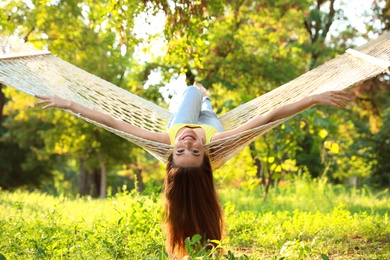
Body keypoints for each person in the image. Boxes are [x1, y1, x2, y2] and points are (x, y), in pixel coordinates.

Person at [35, 82, 354, 258]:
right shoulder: (219, 143)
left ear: (171, 154)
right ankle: (208, 101)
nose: (187, 142)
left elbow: (114, 123)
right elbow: (269, 117)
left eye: (182, 150)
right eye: (194, 151)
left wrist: (69, 104)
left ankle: (199, 92)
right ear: (206, 156)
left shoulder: (167, 140)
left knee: (190, 92)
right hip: (213, 127)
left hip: (178, 117)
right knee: (208, 114)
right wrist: (313, 97)